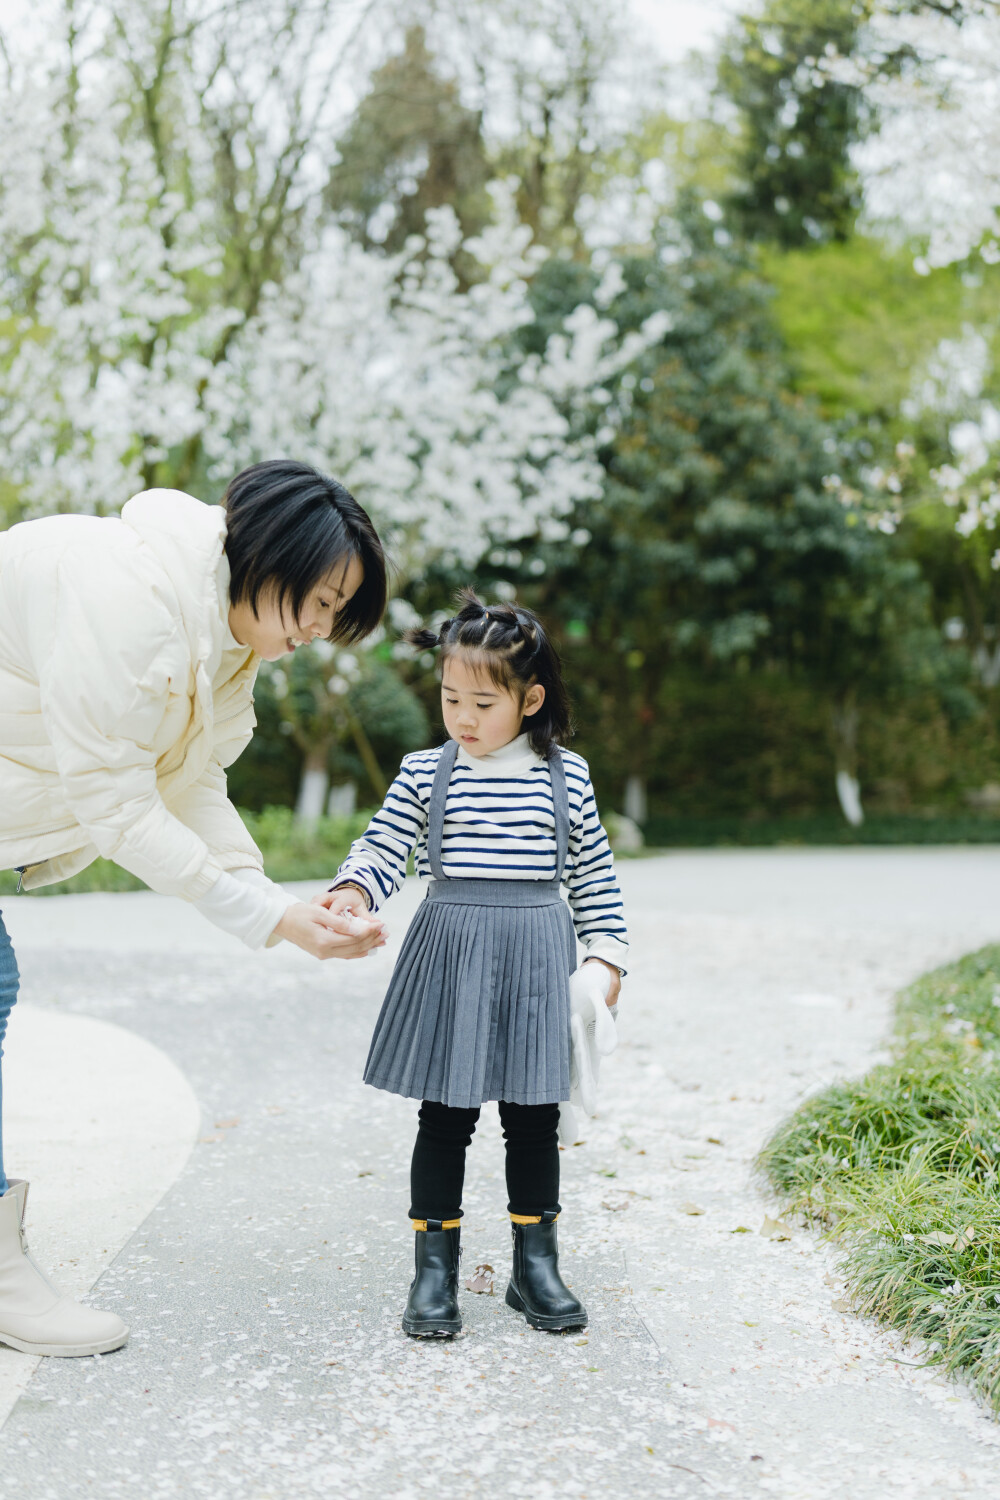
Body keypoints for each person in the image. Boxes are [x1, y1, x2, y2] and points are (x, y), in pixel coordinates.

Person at [0, 460, 387, 1357]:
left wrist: (276, 903)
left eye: (339, 614)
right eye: (320, 600)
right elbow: (123, 808)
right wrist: (270, 919)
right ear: (268, 554)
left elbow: (192, 781)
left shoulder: (224, 639)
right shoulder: (133, 604)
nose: (322, 629)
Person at [319, 590, 628, 1337]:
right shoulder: (428, 770)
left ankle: (536, 1265)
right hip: (451, 951)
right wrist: (354, 888)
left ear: (530, 700)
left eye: (482, 702)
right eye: (451, 697)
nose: (463, 716)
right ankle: (434, 1273)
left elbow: (595, 878)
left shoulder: (567, 778)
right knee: (445, 1115)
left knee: (532, 1118)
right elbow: (386, 844)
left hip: (536, 957)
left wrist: (607, 959)